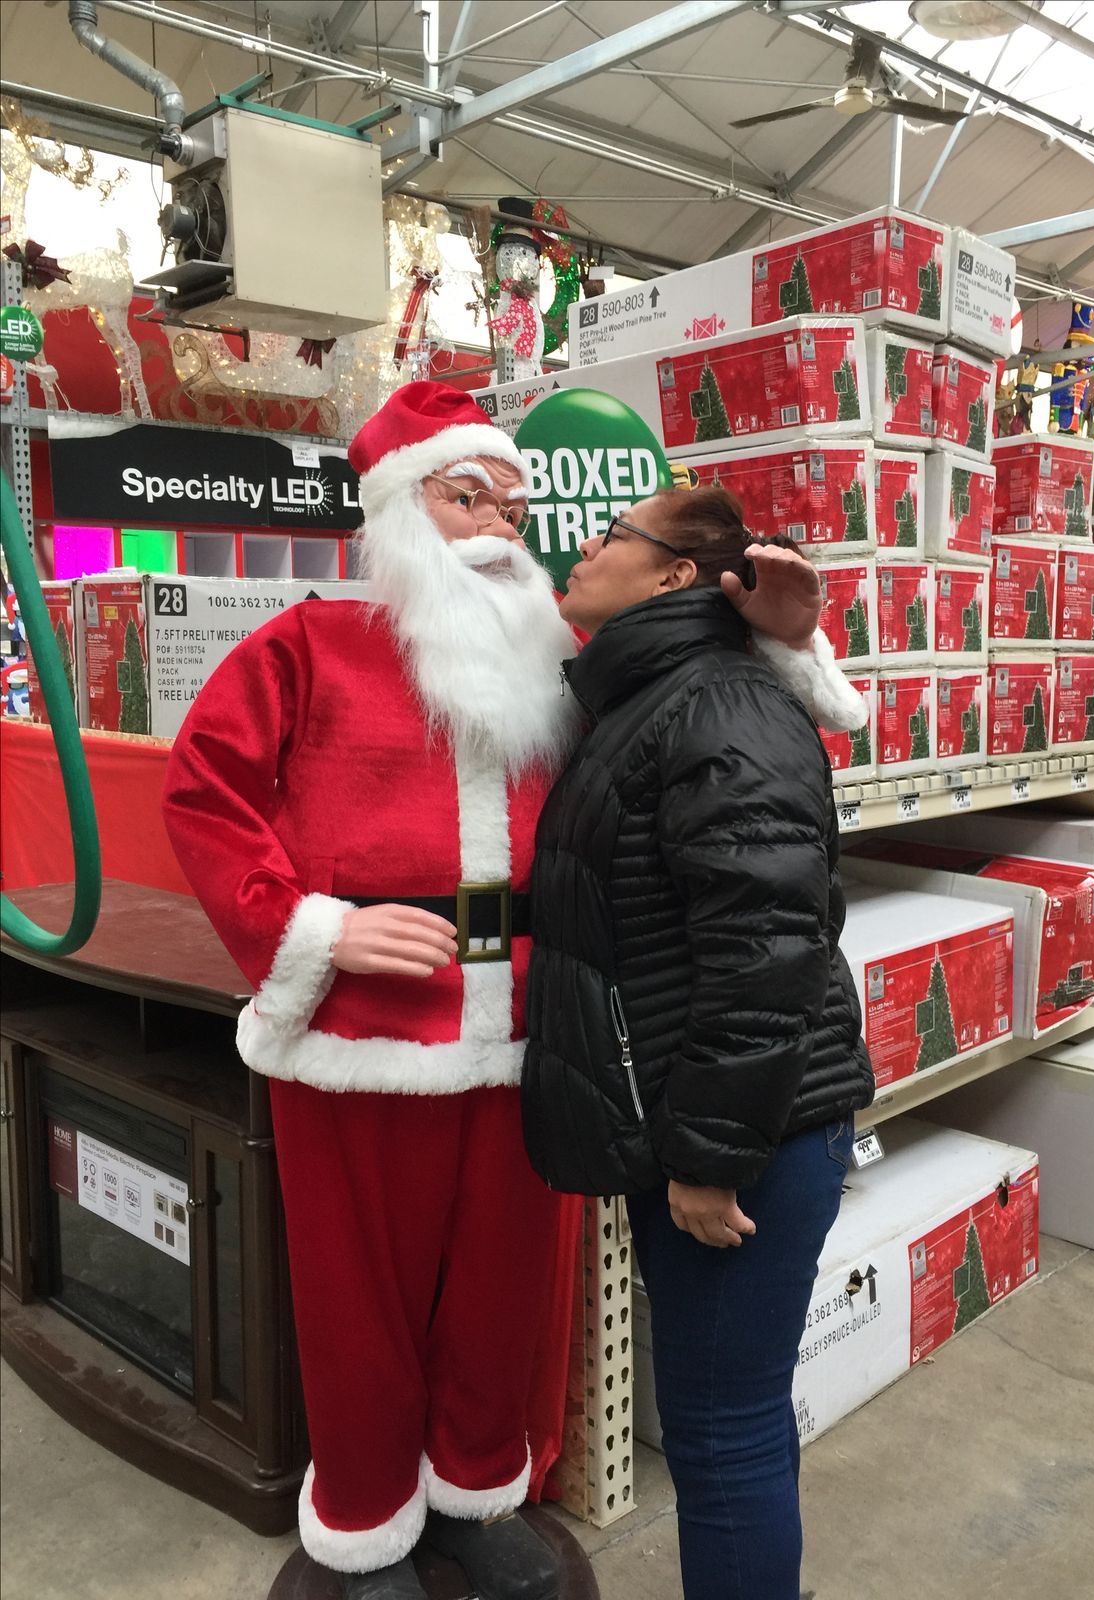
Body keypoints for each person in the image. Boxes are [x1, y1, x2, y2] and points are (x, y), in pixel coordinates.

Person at [162, 384, 863, 1600]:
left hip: (538, 1035)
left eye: (514, 507)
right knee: (357, 1300)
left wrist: (783, 639)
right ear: (400, 507)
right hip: (364, 1035)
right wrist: (313, 927)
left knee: (502, 1294)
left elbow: (754, 746)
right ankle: (366, 1519)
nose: (499, 527)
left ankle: (477, 1488)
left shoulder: (572, 663)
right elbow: (203, 794)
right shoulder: (308, 645)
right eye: (467, 496)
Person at [522, 486, 876, 1600]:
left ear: (677, 575)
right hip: (712, 1117)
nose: (584, 545)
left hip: (746, 1139)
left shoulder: (718, 706)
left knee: (721, 1433)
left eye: (613, 534)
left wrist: (711, 1157)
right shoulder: (657, 699)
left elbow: (765, 953)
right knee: (738, 1416)